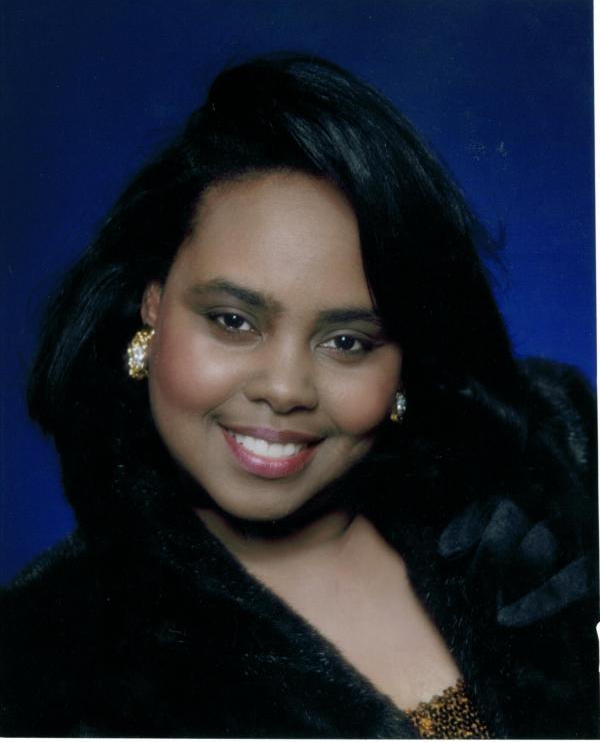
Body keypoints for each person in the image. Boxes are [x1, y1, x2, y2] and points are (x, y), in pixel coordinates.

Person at [1, 53, 597, 738]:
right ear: (153, 305)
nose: (285, 389)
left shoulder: (557, 477)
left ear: (404, 359)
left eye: (347, 341)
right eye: (233, 321)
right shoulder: (44, 661)